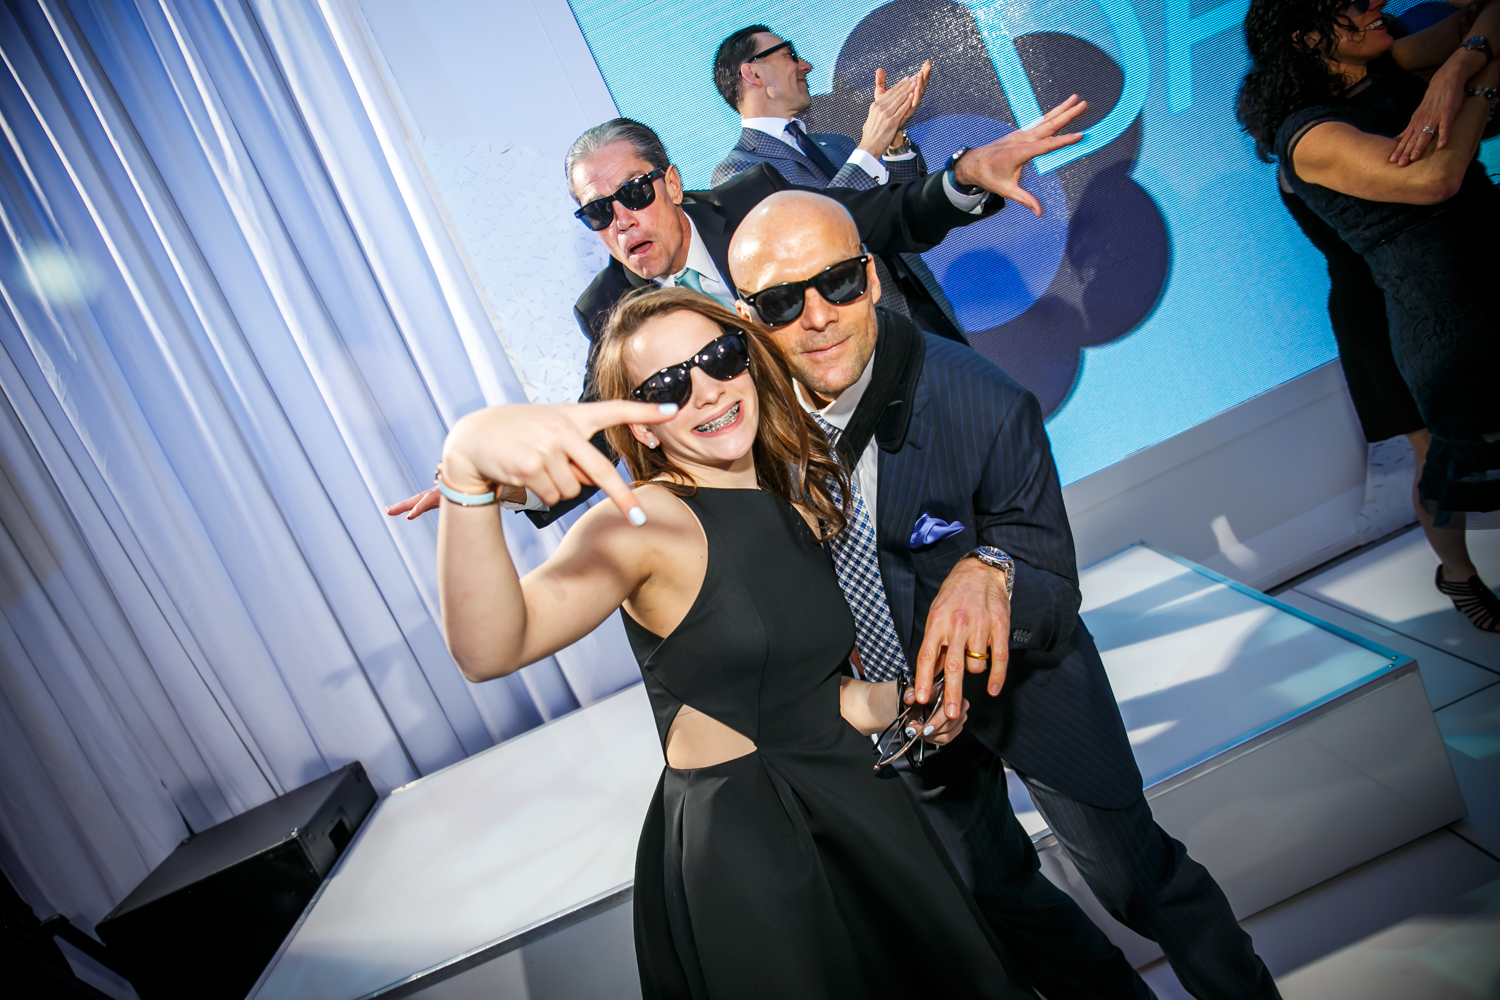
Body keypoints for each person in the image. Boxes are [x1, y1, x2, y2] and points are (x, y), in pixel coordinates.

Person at [726, 190, 1283, 999]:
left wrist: (992, 570)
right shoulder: (749, 427)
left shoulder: (980, 396)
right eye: (782, 301)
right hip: (903, 710)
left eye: (837, 283)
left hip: (1028, 686)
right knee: (1000, 904)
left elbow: (1053, 588)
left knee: (1140, 880)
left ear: (871, 278)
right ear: (748, 320)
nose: (817, 317)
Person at [434, 286, 1033, 999]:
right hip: (756, 849)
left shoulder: (791, 503)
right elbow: (490, 650)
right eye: (667, 387)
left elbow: (809, 699)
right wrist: (466, 472)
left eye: (720, 357)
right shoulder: (643, 522)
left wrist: (905, 703)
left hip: (858, 809)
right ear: (641, 429)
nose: (708, 390)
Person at [388, 108, 1086, 523]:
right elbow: (601, 429)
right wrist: (497, 487)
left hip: (882, 421)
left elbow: (878, 216)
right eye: (597, 212)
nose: (622, 220)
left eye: (634, 193)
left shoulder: (753, 197)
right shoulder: (609, 309)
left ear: (670, 182)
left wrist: (960, 180)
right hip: (794, 488)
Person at [1239, 0, 1500, 631]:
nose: (1377, 4)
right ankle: (1458, 572)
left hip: (1466, 274)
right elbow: (1435, 178)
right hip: (1386, 310)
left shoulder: (1389, 64)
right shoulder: (1309, 134)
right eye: (1351, 4)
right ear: (1308, 36)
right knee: (1439, 455)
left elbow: (1486, 16)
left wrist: (1456, 67)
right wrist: (1481, 78)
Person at [709, 26, 963, 340]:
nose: (806, 66)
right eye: (790, 55)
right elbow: (808, 241)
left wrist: (894, 142)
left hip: (928, 312)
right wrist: (870, 148)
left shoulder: (837, 145)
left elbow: (906, 215)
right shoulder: (737, 172)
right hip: (867, 331)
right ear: (753, 74)